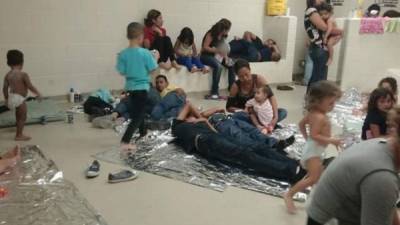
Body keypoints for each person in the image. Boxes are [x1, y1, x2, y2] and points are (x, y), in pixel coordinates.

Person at [305, 106, 400, 225]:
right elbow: (383, 193)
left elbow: (388, 206)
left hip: (324, 209)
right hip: (327, 219)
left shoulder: (384, 144)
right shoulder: (382, 177)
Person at [171, 102, 306, 183]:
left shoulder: (199, 122)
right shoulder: (178, 126)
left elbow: (212, 129)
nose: (192, 116)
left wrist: (202, 120)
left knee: (257, 147)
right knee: (245, 155)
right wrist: (198, 119)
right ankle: (291, 171)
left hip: (216, 136)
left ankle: (294, 163)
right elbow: (188, 105)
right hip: (205, 142)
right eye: (189, 116)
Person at [284, 81, 342, 214]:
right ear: (318, 101)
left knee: (318, 177)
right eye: (330, 103)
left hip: (314, 150)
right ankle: (289, 194)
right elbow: (315, 135)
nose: (333, 106)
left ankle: (319, 200)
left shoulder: (313, 113)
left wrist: (307, 139)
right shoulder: (319, 117)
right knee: (313, 178)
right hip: (313, 152)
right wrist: (331, 140)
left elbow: (301, 124)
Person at [116, 22, 158, 151]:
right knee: (138, 115)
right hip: (142, 88)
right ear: (141, 37)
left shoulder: (123, 54)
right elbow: (153, 69)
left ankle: (143, 133)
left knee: (139, 111)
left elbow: (121, 71)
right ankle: (125, 141)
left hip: (130, 88)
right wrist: (155, 58)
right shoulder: (145, 53)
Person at [226, 59, 287, 125]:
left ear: (250, 70)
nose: (245, 78)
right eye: (241, 77)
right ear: (237, 75)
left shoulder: (259, 79)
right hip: (247, 115)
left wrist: (275, 117)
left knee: (283, 112)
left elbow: (271, 97)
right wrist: (244, 111)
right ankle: (263, 125)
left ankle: (263, 124)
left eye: (247, 74)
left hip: (262, 112)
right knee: (237, 116)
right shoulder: (235, 86)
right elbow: (229, 107)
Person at [3, 49, 42, 141]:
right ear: (22, 63)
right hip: (20, 99)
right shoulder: (23, 74)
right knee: (23, 117)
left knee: (18, 115)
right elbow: (30, 86)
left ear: (8, 63)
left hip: (12, 97)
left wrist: (6, 99)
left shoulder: (8, 75)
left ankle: (18, 129)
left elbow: (4, 88)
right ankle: (19, 135)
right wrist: (38, 93)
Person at [304, 0, 342, 91]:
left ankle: (311, 99)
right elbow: (324, 28)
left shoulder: (314, 11)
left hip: (318, 47)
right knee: (319, 78)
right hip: (319, 47)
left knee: (316, 76)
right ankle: (316, 100)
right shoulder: (312, 10)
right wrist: (341, 31)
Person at [200, 19, 235, 99]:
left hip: (217, 56)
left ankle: (232, 88)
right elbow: (205, 47)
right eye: (228, 29)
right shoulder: (211, 33)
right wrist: (217, 50)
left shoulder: (222, 36)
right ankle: (214, 91)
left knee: (231, 64)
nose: (228, 31)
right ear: (223, 29)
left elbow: (223, 48)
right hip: (206, 56)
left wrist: (226, 58)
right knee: (218, 66)